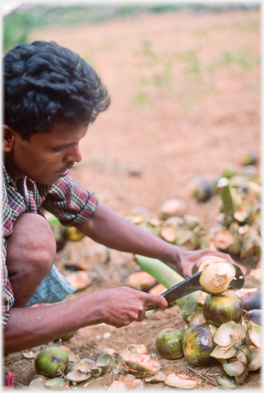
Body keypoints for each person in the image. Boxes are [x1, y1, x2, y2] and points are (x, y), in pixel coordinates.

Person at [3, 40, 235, 358]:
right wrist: (95, 306)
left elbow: (90, 214)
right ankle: (17, 331)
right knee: (34, 239)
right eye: (60, 148)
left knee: (32, 235)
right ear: (7, 137)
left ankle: (23, 321)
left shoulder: (31, 164)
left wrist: (177, 255)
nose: (77, 157)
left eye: (78, 142)